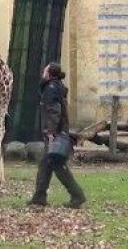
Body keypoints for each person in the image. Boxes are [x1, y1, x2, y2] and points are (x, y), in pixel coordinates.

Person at [27, 62, 86, 209]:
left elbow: (54, 111)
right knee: (46, 164)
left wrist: (51, 132)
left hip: (55, 134)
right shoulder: (56, 86)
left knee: (56, 165)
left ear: (49, 73)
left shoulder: (51, 88)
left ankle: (77, 195)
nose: (43, 71)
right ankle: (40, 197)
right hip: (58, 132)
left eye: (45, 69)